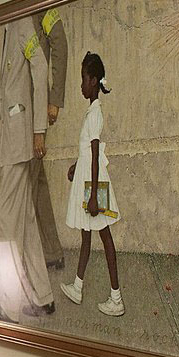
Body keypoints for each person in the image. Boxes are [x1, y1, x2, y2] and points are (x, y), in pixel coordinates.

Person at [0, 8, 68, 319]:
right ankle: (43, 297)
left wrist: (38, 131)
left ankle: (7, 304)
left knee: (6, 220)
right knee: (28, 222)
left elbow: (40, 65)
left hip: (21, 139)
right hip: (16, 134)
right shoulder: (11, 23)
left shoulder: (19, 20)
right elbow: (17, 78)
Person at [60, 52, 123, 317]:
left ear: (94, 80)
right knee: (86, 236)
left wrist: (94, 195)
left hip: (94, 184)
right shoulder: (90, 112)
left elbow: (96, 154)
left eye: (84, 79)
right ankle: (77, 285)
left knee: (105, 236)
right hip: (88, 179)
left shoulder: (95, 114)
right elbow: (87, 152)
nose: (81, 85)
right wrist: (76, 166)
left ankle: (116, 298)